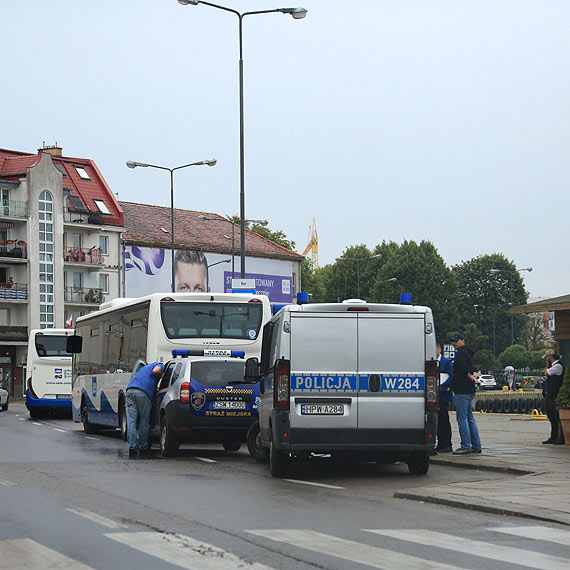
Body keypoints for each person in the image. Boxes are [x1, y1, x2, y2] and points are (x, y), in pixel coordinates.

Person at [450, 332, 482, 454]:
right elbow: (473, 368)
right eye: (453, 341)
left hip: (461, 390)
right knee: (470, 418)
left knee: (462, 418)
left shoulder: (460, 355)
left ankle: (465, 445)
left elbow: (463, 370)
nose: (454, 343)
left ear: (462, 340)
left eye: (456, 341)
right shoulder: (469, 353)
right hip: (469, 390)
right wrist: (473, 377)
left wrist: (470, 377)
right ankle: (476, 445)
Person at [126, 362, 164, 457]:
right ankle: (143, 447)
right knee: (144, 421)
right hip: (143, 393)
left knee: (131, 422)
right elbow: (156, 370)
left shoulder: (144, 369)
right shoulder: (160, 364)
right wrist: (161, 376)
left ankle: (132, 447)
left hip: (130, 391)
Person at [542, 349, 565, 445]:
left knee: (557, 417)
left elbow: (547, 372)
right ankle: (553, 436)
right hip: (549, 395)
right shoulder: (553, 366)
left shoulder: (558, 366)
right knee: (551, 417)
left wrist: (547, 366)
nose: (546, 359)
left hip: (554, 395)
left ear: (550, 356)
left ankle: (562, 437)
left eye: (547, 357)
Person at [435, 342, 454, 453]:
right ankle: (440, 443)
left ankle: (447, 443)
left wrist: (443, 386)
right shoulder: (431, 361)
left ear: (439, 350)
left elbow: (452, 376)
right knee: (437, 420)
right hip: (434, 395)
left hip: (443, 394)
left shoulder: (446, 362)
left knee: (444, 420)